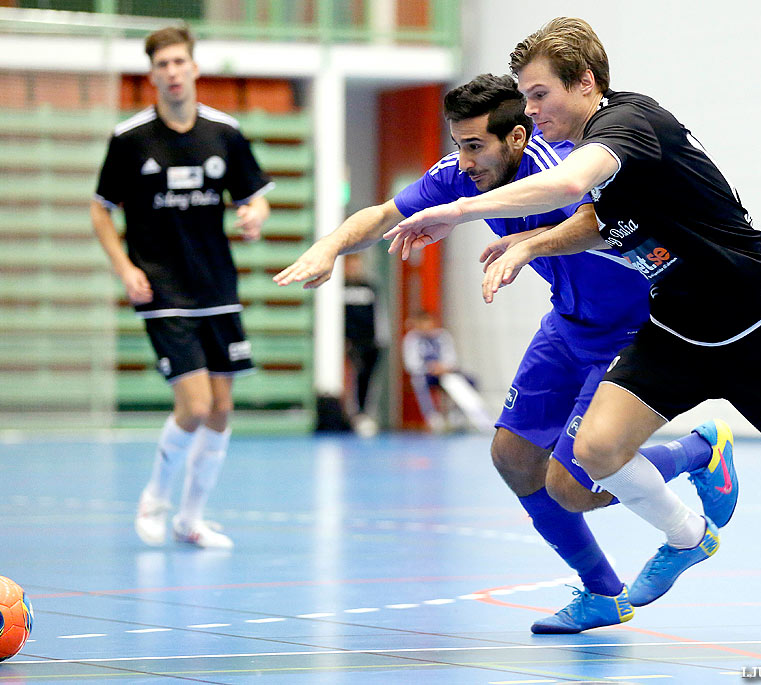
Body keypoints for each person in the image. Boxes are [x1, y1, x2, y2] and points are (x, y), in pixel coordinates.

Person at [385, 18, 761, 648]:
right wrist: (532, 245)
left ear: (585, 83)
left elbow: (568, 185)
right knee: (593, 456)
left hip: (760, 323)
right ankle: (687, 538)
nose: (530, 110)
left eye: (540, 94)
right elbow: (596, 219)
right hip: (676, 325)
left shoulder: (627, 128)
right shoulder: (595, 144)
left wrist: (458, 211)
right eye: (524, 96)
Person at [276, 73, 735, 633]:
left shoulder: (565, 163)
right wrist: (328, 247)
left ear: (516, 138)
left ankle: (698, 453)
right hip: (569, 323)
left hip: (637, 328)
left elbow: (600, 218)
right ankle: (601, 593)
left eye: (475, 146)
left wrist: (524, 240)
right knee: (513, 458)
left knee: (576, 485)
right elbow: (380, 215)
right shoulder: (461, 176)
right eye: (457, 145)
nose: (464, 162)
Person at [90, 25, 273, 549]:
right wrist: (125, 268)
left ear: (194, 68)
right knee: (192, 406)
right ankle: (154, 498)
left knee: (219, 409)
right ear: (152, 74)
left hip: (217, 286)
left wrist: (254, 216)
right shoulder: (129, 140)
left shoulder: (224, 132)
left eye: (179, 62)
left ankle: (191, 519)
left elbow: (255, 197)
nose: (172, 71)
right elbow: (100, 211)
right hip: (163, 291)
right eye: (162, 64)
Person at [401, 310, 491, 433]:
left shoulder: (443, 336)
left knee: (470, 380)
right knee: (419, 382)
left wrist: (443, 368)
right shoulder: (412, 339)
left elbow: (451, 359)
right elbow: (411, 364)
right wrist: (429, 368)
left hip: (445, 373)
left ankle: (457, 417)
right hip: (425, 374)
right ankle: (432, 417)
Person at [343, 252, 384, 437]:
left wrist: (380, 339)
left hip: (369, 340)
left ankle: (363, 413)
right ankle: (348, 414)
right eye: (350, 265)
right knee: (351, 377)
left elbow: (379, 315)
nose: (354, 269)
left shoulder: (370, 287)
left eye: (356, 265)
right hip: (348, 341)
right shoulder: (338, 288)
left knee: (366, 377)